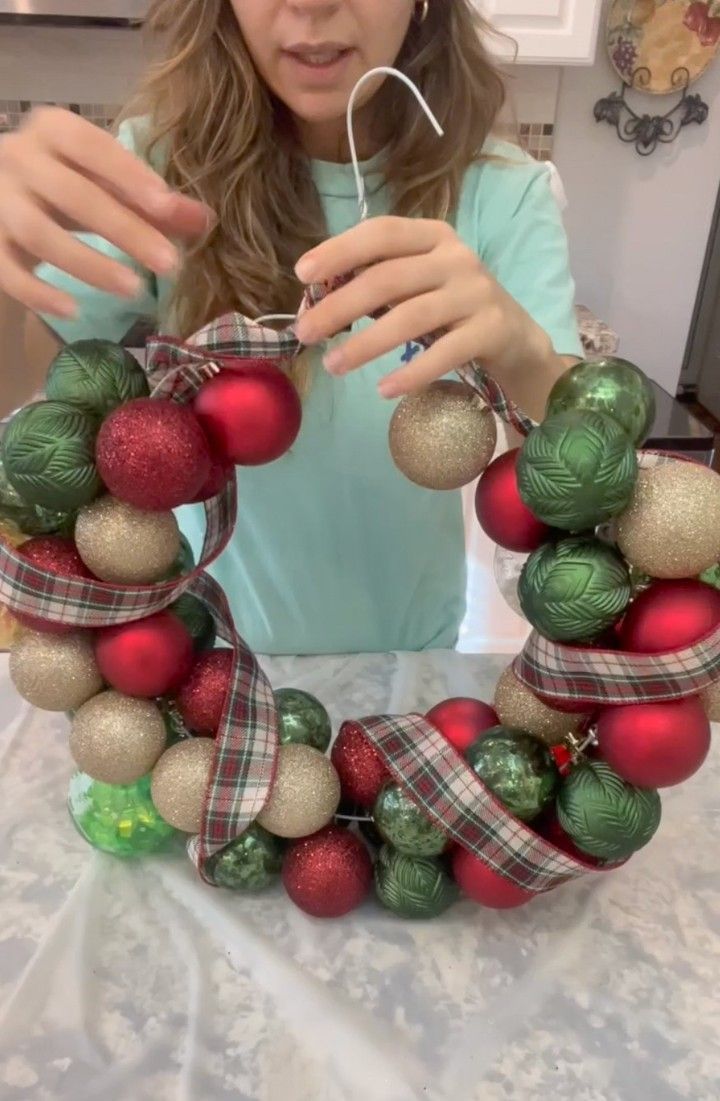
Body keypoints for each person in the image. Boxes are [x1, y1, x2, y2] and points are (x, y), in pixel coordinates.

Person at [0, 0, 582, 656]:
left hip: (409, 675)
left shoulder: (502, 192)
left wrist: (520, 350)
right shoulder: (157, 171)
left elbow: (586, 470)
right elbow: (11, 381)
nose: (310, 3)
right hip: (197, 672)